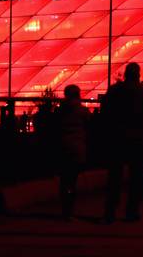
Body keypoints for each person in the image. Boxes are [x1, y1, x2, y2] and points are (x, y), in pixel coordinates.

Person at [101, 62, 143, 223]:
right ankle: (132, 211)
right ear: (138, 74)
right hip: (137, 139)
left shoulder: (115, 90)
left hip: (117, 138)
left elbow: (105, 113)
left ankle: (110, 211)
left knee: (114, 176)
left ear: (125, 74)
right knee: (136, 175)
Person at [54, 84, 91, 220]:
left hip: (63, 147)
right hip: (77, 148)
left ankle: (65, 209)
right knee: (72, 180)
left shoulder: (60, 111)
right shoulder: (82, 111)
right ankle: (70, 210)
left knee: (64, 179)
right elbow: (89, 126)